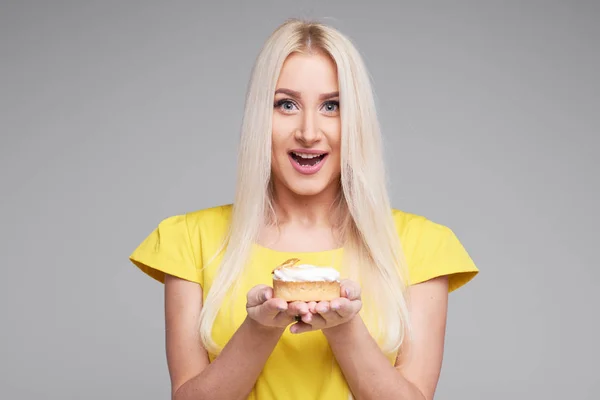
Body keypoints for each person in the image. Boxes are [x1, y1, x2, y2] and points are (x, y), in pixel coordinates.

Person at [129, 18, 478, 400]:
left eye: (332, 105)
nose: (309, 132)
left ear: (356, 120)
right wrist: (259, 328)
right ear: (260, 116)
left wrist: (344, 328)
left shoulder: (423, 247)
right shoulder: (189, 240)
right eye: (286, 104)